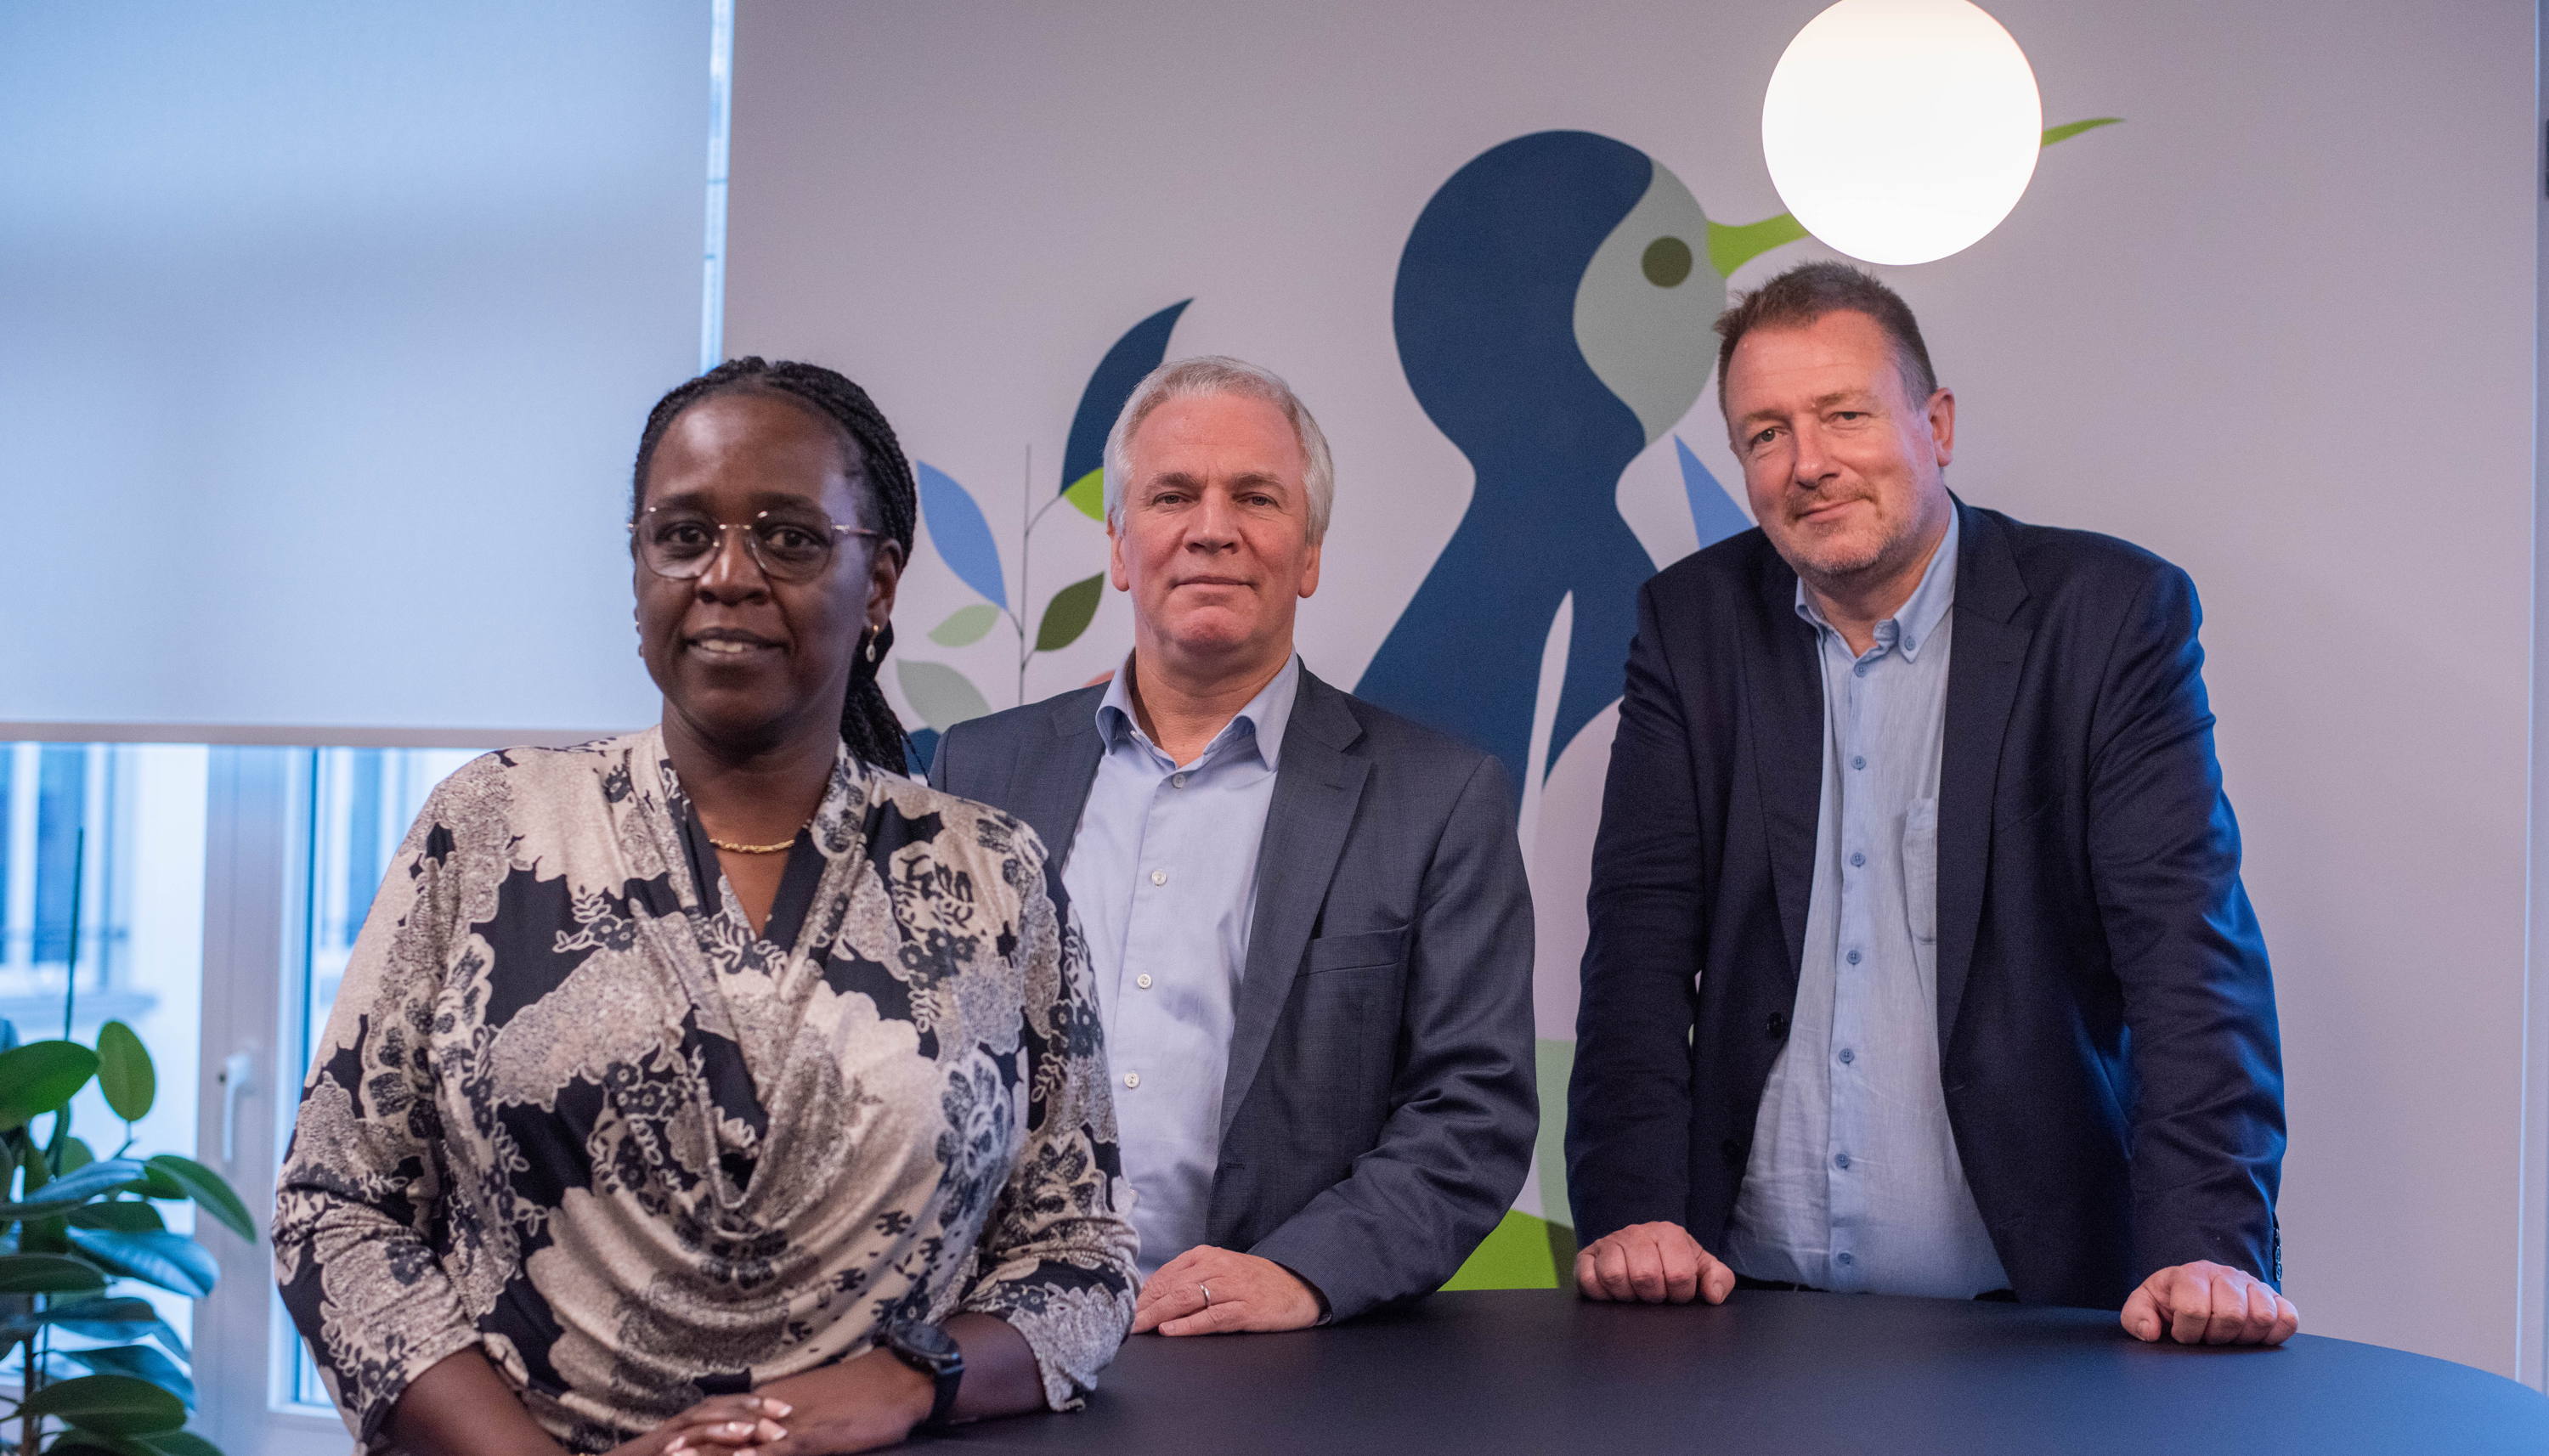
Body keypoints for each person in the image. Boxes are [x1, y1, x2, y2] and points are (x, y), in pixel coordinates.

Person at [274, 358, 1138, 1456]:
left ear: (879, 584)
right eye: (683, 535)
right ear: (638, 567)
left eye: (789, 538)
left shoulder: (993, 873)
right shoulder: (491, 825)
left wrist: (909, 1378)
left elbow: (1079, 1253)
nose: (728, 575)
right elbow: (336, 1205)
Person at [1566, 263, 2297, 1346]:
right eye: (1765, 434)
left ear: (1936, 423)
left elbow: (2187, 955)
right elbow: (1638, 949)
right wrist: (1634, 1214)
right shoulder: (1691, 625)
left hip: (2039, 1325)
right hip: (1736, 1309)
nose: (1808, 463)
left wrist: (2209, 1246)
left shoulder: (2107, 618)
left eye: (1845, 415)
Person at [932, 356, 1535, 1335]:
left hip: (1265, 1361)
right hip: (996, 1335)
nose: (1212, 528)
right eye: (1173, 495)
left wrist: (1301, 1273)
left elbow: (1474, 1113)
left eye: (1255, 496)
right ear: (1120, 545)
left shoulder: (1438, 798)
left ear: (1310, 553)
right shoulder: (979, 770)